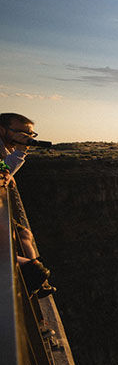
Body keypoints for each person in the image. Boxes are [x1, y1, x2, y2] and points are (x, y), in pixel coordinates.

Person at [1, 112, 54, 297]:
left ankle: (40, 285)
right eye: (22, 133)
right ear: (2, 130)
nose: (28, 138)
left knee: (24, 234)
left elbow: (4, 169)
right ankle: (32, 285)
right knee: (35, 271)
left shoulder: (7, 151)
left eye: (30, 134)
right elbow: (3, 169)